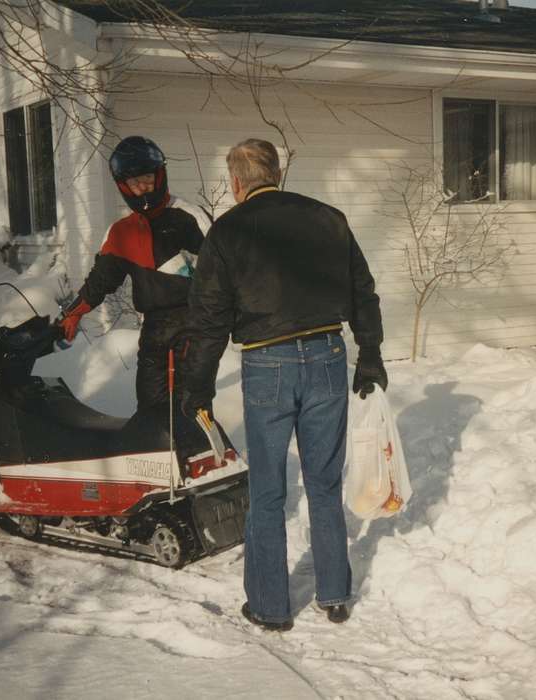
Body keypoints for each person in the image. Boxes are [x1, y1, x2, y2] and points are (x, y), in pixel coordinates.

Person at [182, 138, 388, 631]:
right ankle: (334, 594)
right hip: (327, 357)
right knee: (323, 482)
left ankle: (271, 607)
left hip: (266, 364)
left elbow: (209, 319)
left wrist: (198, 386)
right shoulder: (327, 218)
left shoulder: (227, 233)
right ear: (276, 172)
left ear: (236, 184)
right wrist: (371, 355)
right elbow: (363, 291)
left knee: (270, 489)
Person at [57, 136, 210, 421]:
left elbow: (222, 270)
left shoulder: (189, 216)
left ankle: (203, 458)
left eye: (147, 178)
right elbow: (100, 280)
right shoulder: (122, 232)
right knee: (151, 408)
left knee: (190, 408)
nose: (142, 188)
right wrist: (73, 313)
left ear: (160, 175)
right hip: (153, 328)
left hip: (194, 324)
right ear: (123, 186)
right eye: (134, 183)